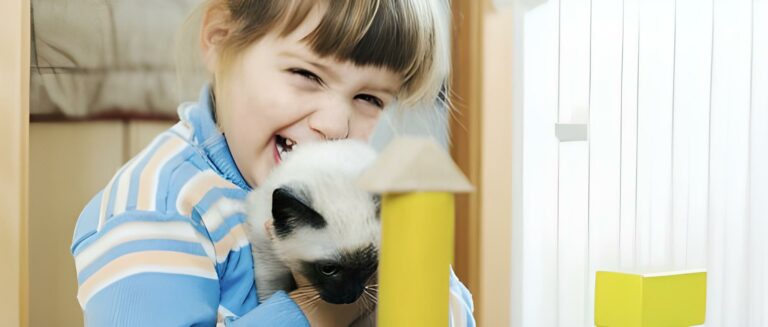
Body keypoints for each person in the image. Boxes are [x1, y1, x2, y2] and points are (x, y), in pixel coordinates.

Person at [71, 0, 475, 326]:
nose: (334, 125)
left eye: (370, 98)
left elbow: (453, 311)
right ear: (219, 39)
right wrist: (318, 312)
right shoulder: (155, 211)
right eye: (306, 74)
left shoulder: (365, 190)